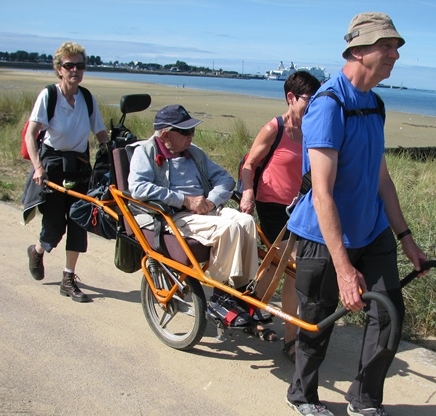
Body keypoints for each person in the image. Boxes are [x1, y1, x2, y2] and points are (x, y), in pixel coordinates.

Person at [285, 12, 428, 416]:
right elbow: (323, 192)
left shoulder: (375, 104)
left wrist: (406, 238)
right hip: (324, 238)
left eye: (397, 47)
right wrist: (345, 268)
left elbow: (382, 178)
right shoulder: (329, 104)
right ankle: (303, 395)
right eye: (387, 46)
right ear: (358, 50)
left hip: (373, 231)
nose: (394, 55)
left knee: (390, 315)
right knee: (317, 320)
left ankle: (365, 399)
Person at [127, 104, 277, 340]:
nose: (191, 136)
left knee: (246, 221)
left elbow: (225, 179)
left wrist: (209, 201)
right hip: (175, 215)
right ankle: (221, 296)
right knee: (229, 228)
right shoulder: (144, 152)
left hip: (205, 209)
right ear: (165, 135)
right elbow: (138, 188)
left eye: (192, 132)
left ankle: (241, 293)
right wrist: (185, 200)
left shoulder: (194, 152)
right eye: (185, 132)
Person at [239, 71, 321, 361]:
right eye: (310, 99)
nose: (314, 105)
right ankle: (289, 337)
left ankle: (248, 309)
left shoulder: (314, 130)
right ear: (291, 98)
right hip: (272, 205)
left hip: (302, 208)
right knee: (292, 267)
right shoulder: (275, 128)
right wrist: (247, 193)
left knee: (280, 269)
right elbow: (249, 165)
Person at [23, 41, 109, 302]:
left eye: (80, 66)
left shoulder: (87, 98)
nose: (75, 70)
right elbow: (31, 134)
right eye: (69, 65)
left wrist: (119, 149)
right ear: (59, 69)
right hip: (52, 166)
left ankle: (68, 278)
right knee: (54, 227)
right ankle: (37, 250)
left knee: (79, 221)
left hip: (81, 167)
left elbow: (101, 134)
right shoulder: (49, 96)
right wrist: (38, 167)